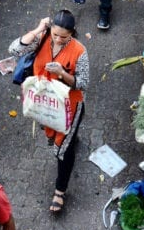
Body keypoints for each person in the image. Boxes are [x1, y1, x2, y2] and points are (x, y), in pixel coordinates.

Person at [9, 11, 88, 213]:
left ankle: (60, 191)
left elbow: (83, 83)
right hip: (44, 103)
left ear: (72, 33)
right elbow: (15, 50)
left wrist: (62, 73)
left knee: (63, 151)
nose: (59, 39)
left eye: (64, 36)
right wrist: (38, 29)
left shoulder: (79, 51)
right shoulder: (42, 39)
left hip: (69, 107)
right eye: (55, 34)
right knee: (60, 138)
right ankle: (72, 138)